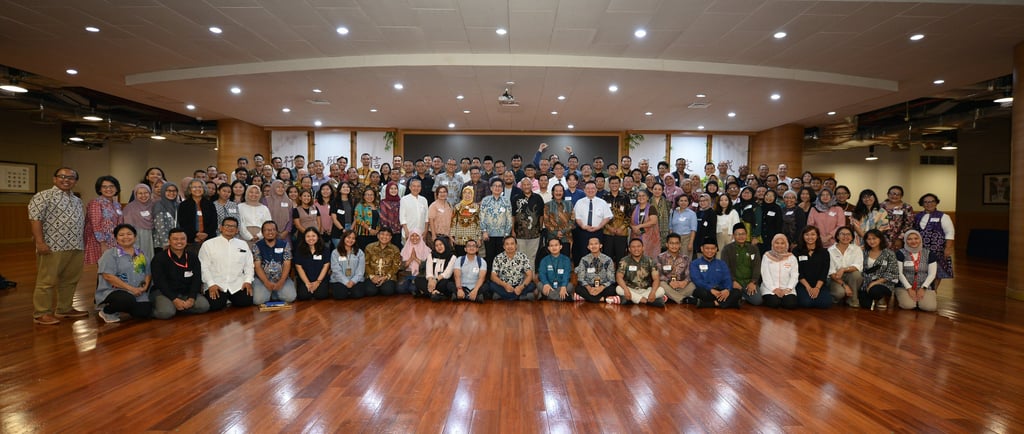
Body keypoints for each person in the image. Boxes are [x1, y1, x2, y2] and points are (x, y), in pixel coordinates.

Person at [29, 167, 87, 324]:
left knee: (70, 280)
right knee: (46, 281)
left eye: (71, 178)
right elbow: (35, 219)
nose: (66, 180)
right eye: (62, 176)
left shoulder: (77, 200)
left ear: (75, 181)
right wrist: (40, 242)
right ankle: (41, 313)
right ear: (54, 179)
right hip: (52, 246)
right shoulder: (43, 196)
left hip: (76, 245)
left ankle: (64, 309)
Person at [94, 224, 152, 323]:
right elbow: (108, 276)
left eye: (129, 234)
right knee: (126, 301)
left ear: (135, 237)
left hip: (137, 292)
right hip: (113, 290)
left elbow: (147, 273)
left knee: (144, 312)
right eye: (121, 235)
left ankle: (126, 306)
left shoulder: (141, 254)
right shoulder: (110, 254)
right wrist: (131, 289)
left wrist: (144, 287)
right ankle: (107, 311)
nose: (126, 237)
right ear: (116, 238)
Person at [151, 228, 210, 319]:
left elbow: (197, 279)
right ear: (169, 241)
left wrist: (191, 298)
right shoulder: (159, 258)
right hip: (164, 293)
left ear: (186, 240)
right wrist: (174, 299)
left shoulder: (193, 257)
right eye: (175, 239)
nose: (179, 242)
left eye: (182, 239)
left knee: (203, 306)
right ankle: (164, 308)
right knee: (166, 313)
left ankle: (180, 307)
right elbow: (160, 282)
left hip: (186, 293)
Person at [198, 217, 255, 311]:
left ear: (237, 230)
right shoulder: (208, 244)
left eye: (233, 226)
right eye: (227, 226)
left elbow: (249, 265)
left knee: (245, 301)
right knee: (216, 305)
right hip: (216, 283)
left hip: (237, 283)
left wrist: (248, 281)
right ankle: (225, 299)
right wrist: (211, 284)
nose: (230, 228)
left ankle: (228, 299)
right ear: (221, 228)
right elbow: (204, 267)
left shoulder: (243, 244)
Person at [914, 193, 954, 290]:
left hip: (937, 250)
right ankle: (922, 290)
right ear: (922, 204)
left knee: (937, 271)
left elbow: (950, 233)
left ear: (936, 203)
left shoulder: (943, 216)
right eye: (926, 202)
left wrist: (948, 248)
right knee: (921, 270)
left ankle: (933, 291)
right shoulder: (917, 216)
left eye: (932, 201)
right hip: (920, 249)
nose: (929, 204)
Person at [251, 221, 296, 305]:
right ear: (262, 232)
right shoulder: (256, 246)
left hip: (281, 278)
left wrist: (281, 281)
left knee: (290, 297)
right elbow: (257, 266)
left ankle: (273, 293)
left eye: (273, 230)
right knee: (258, 300)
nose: (270, 232)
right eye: (267, 230)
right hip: (262, 279)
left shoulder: (285, 245)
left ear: (276, 232)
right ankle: (272, 292)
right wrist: (266, 282)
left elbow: (287, 264)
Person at [611, 239, 666, 306]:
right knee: (618, 289)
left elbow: (656, 279)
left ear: (643, 248)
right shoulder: (624, 260)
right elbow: (619, 277)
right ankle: (647, 301)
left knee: (661, 290)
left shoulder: (650, 260)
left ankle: (633, 299)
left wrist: (653, 292)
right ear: (629, 249)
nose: (636, 249)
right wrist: (626, 289)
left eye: (638, 246)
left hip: (646, 290)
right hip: (630, 289)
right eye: (633, 247)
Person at [895, 230, 938, 312]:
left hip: (924, 286)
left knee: (930, 307)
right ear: (905, 241)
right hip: (904, 287)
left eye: (916, 238)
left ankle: (919, 300)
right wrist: (909, 288)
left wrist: (923, 288)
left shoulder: (929, 254)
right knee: (907, 306)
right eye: (909, 239)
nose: (913, 241)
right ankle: (909, 299)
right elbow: (899, 273)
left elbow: (932, 274)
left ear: (920, 239)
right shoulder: (900, 253)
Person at [85, 175, 123, 265]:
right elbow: (96, 225)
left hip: (114, 242)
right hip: (98, 242)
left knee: (112, 267)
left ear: (116, 188)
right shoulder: (95, 203)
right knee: (99, 267)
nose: (108, 189)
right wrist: (103, 243)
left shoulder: (117, 205)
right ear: (99, 189)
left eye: (111, 186)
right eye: (104, 187)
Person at [690, 237, 739, 308]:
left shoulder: (722, 263)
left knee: (737, 292)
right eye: (707, 248)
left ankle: (711, 304)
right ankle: (729, 303)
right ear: (702, 249)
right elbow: (697, 280)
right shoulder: (695, 263)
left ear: (716, 249)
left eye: (713, 248)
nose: (710, 251)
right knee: (699, 292)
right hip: (706, 290)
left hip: (721, 290)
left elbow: (727, 278)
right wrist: (710, 289)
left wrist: (727, 290)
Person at [722, 224, 762, 306]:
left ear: (746, 235)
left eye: (743, 234)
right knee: (729, 297)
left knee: (758, 301)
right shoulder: (727, 249)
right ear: (733, 236)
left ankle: (742, 295)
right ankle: (740, 295)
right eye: (738, 234)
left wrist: (753, 282)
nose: (741, 236)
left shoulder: (753, 248)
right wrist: (732, 281)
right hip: (735, 282)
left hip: (749, 282)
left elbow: (757, 266)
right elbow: (725, 268)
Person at [573, 181, 613, 264]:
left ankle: (597, 269)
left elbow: (607, 217)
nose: (590, 190)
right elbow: (577, 217)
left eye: (592, 188)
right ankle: (583, 269)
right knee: (583, 252)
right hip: (583, 232)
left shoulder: (602, 202)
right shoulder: (579, 202)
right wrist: (583, 226)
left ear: (596, 190)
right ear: (584, 190)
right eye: (588, 188)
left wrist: (599, 226)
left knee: (597, 253)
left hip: (598, 232)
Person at [488, 236, 537, 300]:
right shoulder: (498, 258)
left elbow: (529, 275)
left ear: (516, 246)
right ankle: (519, 297)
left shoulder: (523, 256)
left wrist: (521, 287)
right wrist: (505, 285)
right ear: (504, 246)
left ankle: (504, 296)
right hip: (503, 286)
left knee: (532, 285)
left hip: (519, 285)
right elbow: (493, 276)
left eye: (512, 244)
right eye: (507, 244)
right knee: (491, 285)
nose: (510, 246)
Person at [860, 229, 899, 310]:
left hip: (884, 283)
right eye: (869, 239)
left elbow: (892, 272)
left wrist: (875, 283)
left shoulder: (889, 253)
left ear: (880, 239)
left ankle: (882, 298)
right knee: (865, 305)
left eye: (874, 238)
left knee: (875, 291)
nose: (871, 241)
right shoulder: (863, 252)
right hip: (866, 282)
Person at [177, 179, 218, 255]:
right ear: (190, 189)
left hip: (208, 240)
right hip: (191, 241)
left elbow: (214, 223)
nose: (197, 189)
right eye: (194, 187)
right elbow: (183, 223)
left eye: (200, 187)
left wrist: (206, 234)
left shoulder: (210, 204)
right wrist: (196, 235)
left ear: (204, 189)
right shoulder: (184, 205)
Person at [794, 226, 830, 308]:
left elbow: (824, 272)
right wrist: (808, 288)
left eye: (813, 234)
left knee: (825, 303)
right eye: (807, 234)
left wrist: (817, 288)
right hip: (802, 284)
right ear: (803, 236)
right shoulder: (796, 251)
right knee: (806, 303)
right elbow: (798, 271)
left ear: (817, 236)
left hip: (819, 284)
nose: (810, 237)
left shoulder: (824, 252)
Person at [758, 233, 799, 309]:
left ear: (786, 244)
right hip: (769, 289)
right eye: (777, 243)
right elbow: (765, 274)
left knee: (790, 304)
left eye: (782, 243)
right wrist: (774, 289)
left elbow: (794, 275)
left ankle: (782, 298)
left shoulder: (792, 258)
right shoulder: (766, 256)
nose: (779, 245)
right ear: (773, 244)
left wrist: (788, 288)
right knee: (774, 303)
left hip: (787, 289)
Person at [511, 177, 544, 265]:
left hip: (535, 234)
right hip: (519, 233)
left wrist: (540, 228)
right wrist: (513, 230)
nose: (526, 186)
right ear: (521, 186)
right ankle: (521, 274)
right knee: (520, 256)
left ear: (531, 185)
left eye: (528, 184)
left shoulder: (538, 198)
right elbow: (513, 216)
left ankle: (530, 274)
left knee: (532, 256)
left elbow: (541, 215)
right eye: (524, 185)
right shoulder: (516, 198)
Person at [828, 226, 864, 307]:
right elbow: (831, 272)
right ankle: (837, 297)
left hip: (851, 277)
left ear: (852, 237)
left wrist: (843, 269)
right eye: (842, 234)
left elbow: (858, 267)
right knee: (839, 293)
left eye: (848, 234)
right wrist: (845, 285)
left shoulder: (857, 249)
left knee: (857, 274)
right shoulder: (830, 251)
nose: (845, 236)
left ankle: (852, 299)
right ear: (837, 236)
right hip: (835, 278)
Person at [479, 179, 512, 266]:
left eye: (499, 186)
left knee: (501, 257)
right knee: (489, 257)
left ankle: (500, 274)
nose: (497, 188)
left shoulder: (506, 201)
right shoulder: (485, 200)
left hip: (502, 235)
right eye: (495, 186)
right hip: (488, 235)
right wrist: (484, 231)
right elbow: (482, 217)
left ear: (502, 188)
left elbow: (509, 218)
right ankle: (490, 274)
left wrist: (507, 234)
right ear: (491, 188)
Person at [293, 227, 330, 301]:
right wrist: (307, 283)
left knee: (321, 295)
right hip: (305, 279)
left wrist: (318, 282)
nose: (311, 238)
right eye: (308, 236)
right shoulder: (299, 250)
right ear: (304, 238)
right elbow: (298, 267)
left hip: (320, 279)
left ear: (318, 237)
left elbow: (326, 266)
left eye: (313, 236)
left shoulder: (325, 249)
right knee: (303, 295)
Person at [657, 233, 695, 304]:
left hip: (681, 287)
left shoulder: (685, 258)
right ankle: (683, 299)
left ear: (680, 245)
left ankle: (671, 298)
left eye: (677, 243)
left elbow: (689, 274)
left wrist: (685, 282)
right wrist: (669, 282)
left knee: (693, 285)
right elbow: (659, 274)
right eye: (671, 243)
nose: (674, 246)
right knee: (661, 284)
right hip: (667, 285)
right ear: (667, 244)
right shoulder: (660, 257)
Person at [418, 235, 457, 301]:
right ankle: (435, 293)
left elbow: (447, 273)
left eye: (441, 244)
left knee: (447, 283)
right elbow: (429, 270)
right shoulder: (431, 255)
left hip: (442, 281)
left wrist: (435, 281)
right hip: (432, 281)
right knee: (418, 280)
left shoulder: (452, 257)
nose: (439, 247)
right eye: (436, 245)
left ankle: (430, 293)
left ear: (445, 244)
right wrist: (430, 281)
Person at [363, 229, 401, 296]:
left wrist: (385, 277)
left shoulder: (395, 249)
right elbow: (366, 264)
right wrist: (372, 276)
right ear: (378, 235)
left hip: (388, 277)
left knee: (387, 291)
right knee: (370, 291)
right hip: (372, 276)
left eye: (387, 235)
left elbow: (396, 266)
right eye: (382, 234)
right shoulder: (369, 247)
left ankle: (381, 287)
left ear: (391, 237)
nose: (384, 237)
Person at [330, 230, 366, 299]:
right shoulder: (335, 252)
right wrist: (346, 282)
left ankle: (349, 290)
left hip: (356, 280)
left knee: (357, 294)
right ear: (343, 238)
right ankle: (347, 290)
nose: (350, 240)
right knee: (340, 295)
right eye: (348, 237)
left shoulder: (359, 252)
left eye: (353, 238)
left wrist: (353, 281)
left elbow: (360, 270)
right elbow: (336, 270)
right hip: (339, 280)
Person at [123, 183, 155, 260]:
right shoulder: (130, 207)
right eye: (140, 193)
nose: (143, 195)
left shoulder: (154, 205)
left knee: (150, 258)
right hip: (136, 236)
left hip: (152, 236)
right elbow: (127, 226)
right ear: (135, 194)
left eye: (146, 193)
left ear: (150, 193)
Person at [602, 177, 630, 262]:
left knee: (621, 258)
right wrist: (609, 227)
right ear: (609, 185)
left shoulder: (625, 197)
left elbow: (629, 215)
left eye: (616, 183)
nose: (614, 185)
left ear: (620, 184)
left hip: (622, 232)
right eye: (612, 183)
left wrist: (621, 228)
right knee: (607, 258)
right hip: (607, 232)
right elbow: (601, 216)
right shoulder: (604, 197)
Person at [450, 186, 482, 256]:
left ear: (472, 195)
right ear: (462, 194)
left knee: (472, 258)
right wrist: (451, 236)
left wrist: (479, 238)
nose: (467, 195)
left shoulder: (476, 207)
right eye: (465, 193)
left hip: (472, 238)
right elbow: (453, 222)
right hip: (459, 238)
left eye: (469, 193)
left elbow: (479, 223)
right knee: (460, 258)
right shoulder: (457, 207)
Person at [630, 189, 661, 259]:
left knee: (649, 256)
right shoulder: (634, 208)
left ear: (647, 198)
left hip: (649, 237)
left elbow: (653, 221)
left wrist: (639, 226)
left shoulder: (651, 208)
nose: (641, 197)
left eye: (643, 196)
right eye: (639, 196)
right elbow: (629, 221)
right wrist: (633, 228)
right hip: (636, 235)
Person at [399, 230, 431, 295]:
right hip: (407, 274)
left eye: (417, 236)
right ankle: (412, 284)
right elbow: (401, 267)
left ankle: (413, 285)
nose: (414, 238)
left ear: (420, 237)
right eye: (412, 236)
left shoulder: (427, 250)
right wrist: (411, 259)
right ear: (409, 237)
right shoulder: (404, 249)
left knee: (413, 288)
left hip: (420, 275)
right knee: (400, 289)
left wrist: (416, 258)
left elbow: (427, 266)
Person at [883, 185, 914, 250]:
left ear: (901, 196)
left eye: (897, 194)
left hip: (897, 239)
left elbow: (909, 225)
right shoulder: (881, 206)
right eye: (892, 193)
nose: (894, 196)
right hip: (881, 238)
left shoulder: (906, 207)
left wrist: (900, 238)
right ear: (888, 194)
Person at [152, 181, 179, 254]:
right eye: (168, 190)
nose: (171, 193)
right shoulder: (159, 205)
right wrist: (166, 241)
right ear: (163, 191)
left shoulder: (177, 205)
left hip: (176, 241)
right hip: (162, 243)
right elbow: (159, 225)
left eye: (174, 191)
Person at [330, 182, 356, 246]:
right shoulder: (334, 202)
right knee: (340, 249)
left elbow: (355, 217)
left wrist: (351, 229)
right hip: (338, 230)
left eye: (347, 187)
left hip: (350, 227)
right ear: (339, 190)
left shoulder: (353, 201)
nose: (346, 188)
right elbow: (334, 219)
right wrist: (342, 229)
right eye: (343, 187)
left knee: (349, 249)